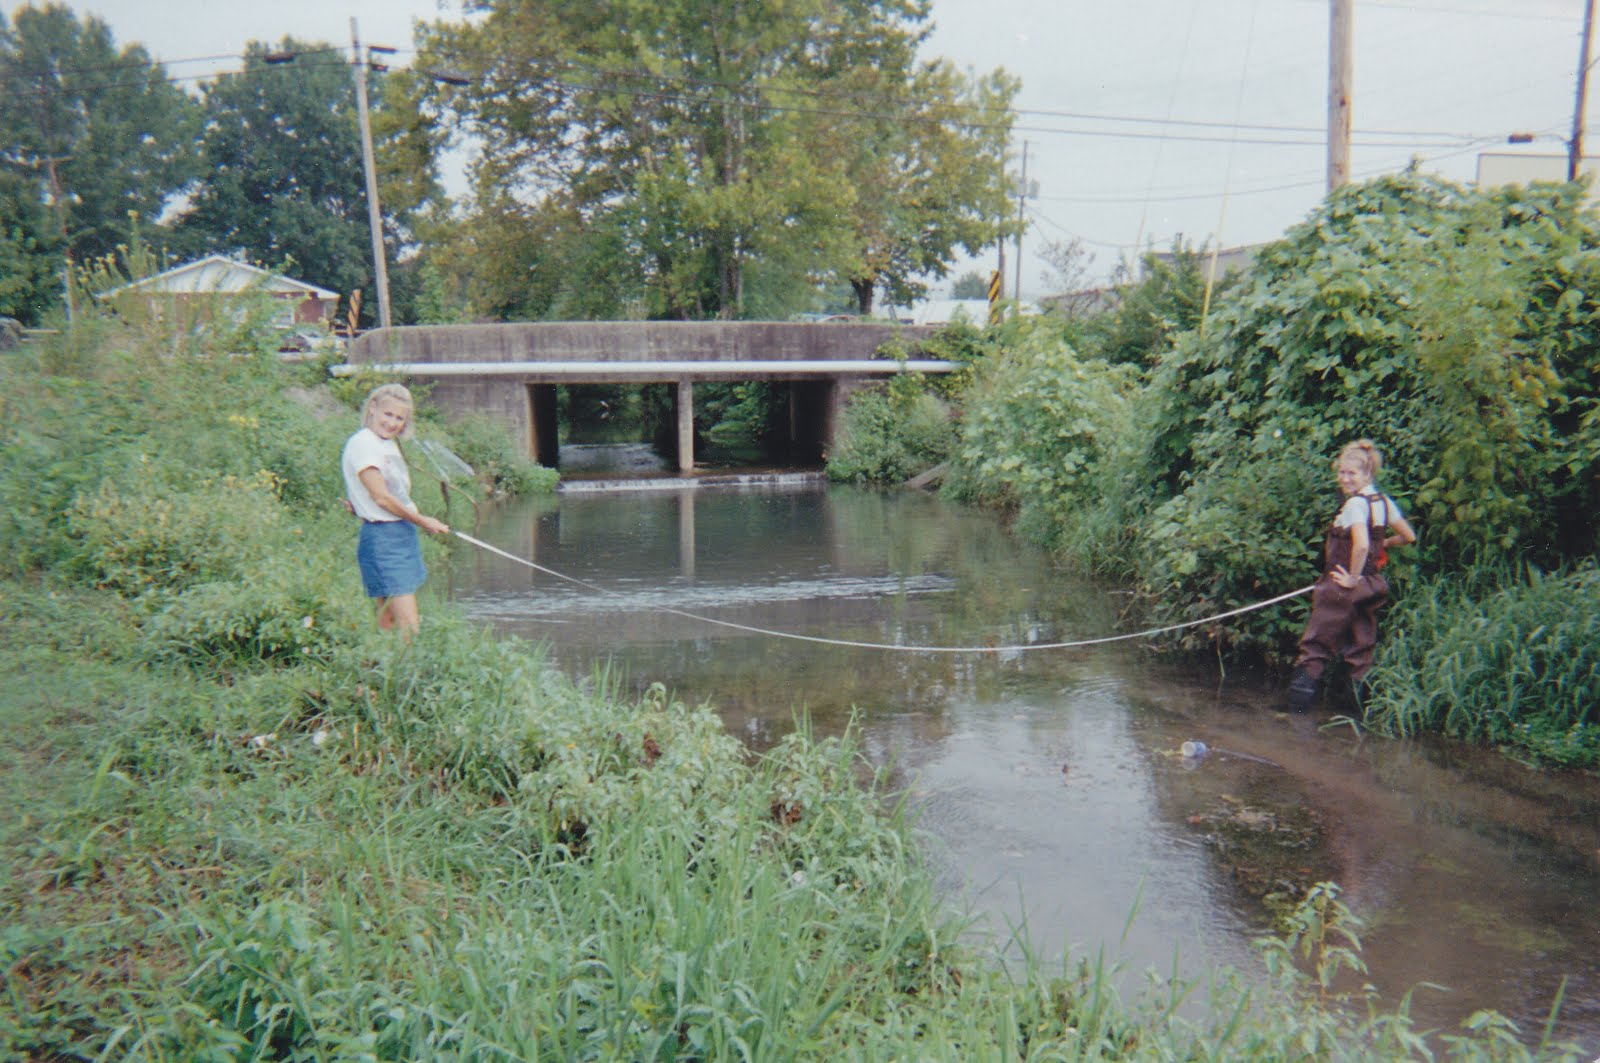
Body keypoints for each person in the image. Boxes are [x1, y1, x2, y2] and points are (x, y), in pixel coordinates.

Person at [1287, 439, 1416, 712]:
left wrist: (1352, 579)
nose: (1345, 478)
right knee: (1361, 648)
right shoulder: (1383, 501)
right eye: (1342, 472)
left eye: (1352, 473)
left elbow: (1362, 544)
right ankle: (1352, 718)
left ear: (1367, 474)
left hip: (1344, 585)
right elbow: (1408, 536)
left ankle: (1295, 715)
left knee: (1315, 646)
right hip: (1373, 584)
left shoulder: (1355, 505)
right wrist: (1384, 548)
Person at [342, 384, 450, 636]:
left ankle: (388, 667)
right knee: (408, 624)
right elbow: (381, 498)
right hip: (383, 538)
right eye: (387, 414)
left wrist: (359, 506)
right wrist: (424, 521)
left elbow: (380, 494)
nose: (392, 423)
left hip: (399, 533)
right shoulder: (364, 443)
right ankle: (407, 670)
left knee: (388, 619)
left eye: (399, 418)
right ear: (373, 409)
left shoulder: (386, 443)